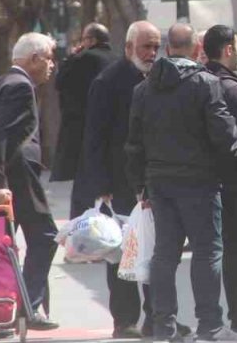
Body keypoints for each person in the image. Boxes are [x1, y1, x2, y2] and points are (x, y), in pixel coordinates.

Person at [125, 24, 237, 342]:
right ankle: (210, 325)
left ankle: (163, 326)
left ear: (167, 48)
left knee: (164, 254)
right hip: (200, 182)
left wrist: (139, 185)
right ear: (197, 48)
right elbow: (226, 137)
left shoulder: (143, 89)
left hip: (159, 183)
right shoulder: (206, 83)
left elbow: (133, 143)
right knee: (207, 252)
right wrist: (225, 168)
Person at [82, 21, 172, 340]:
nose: (151, 53)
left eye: (156, 47)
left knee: (156, 250)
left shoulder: (162, 77)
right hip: (119, 184)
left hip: (156, 180)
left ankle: (156, 318)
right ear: (129, 47)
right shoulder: (108, 81)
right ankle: (124, 320)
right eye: (146, 46)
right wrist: (101, 185)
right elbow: (94, 136)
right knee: (122, 253)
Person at [0, 33, 60, 330]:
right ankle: (28, 306)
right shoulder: (20, 86)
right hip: (17, 180)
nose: (52, 65)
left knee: (0, 244)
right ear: (35, 58)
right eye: (50, 58)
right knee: (45, 236)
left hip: (3, 180)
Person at [202, 26, 237, 336]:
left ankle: (209, 318)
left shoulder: (198, 83)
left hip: (203, 182)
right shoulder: (234, 89)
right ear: (227, 50)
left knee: (209, 253)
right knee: (234, 255)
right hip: (235, 185)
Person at [53, 23, 117, 218]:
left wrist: (72, 56)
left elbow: (60, 81)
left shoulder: (83, 59)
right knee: (107, 185)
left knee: (83, 190)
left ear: (91, 41)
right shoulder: (117, 59)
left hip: (83, 131)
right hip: (112, 133)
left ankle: (79, 230)